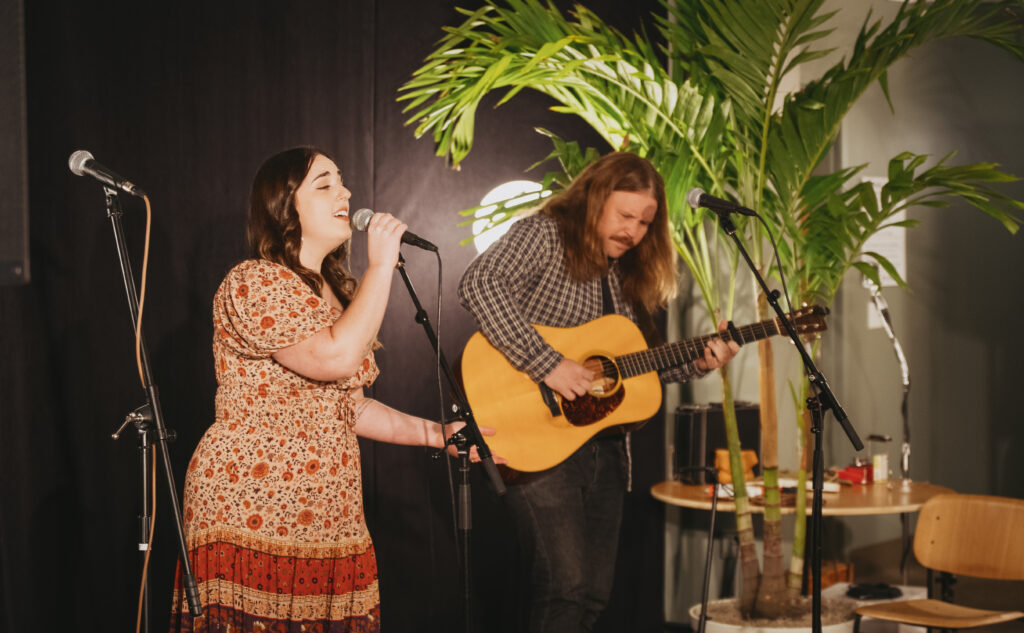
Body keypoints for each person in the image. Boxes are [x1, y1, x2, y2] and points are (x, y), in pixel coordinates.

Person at [170, 146, 490, 632]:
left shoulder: (338, 293)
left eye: (342, 181)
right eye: (325, 184)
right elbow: (334, 358)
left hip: (328, 509)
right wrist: (382, 265)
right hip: (252, 504)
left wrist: (437, 433)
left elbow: (351, 409)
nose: (345, 192)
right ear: (285, 208)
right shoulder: (253, 281)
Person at [458, 151, 741, 632]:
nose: (633, 231)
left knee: (592, 597)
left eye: (645, 222)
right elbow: (479, 283)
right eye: (625, 215)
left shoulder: (625, 273)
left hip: (605, 452)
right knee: (564, 590)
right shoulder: (544, 233)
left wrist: (697, 362)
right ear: (594, 200)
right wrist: (548, 364)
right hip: (538, 440)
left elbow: (629, 376)